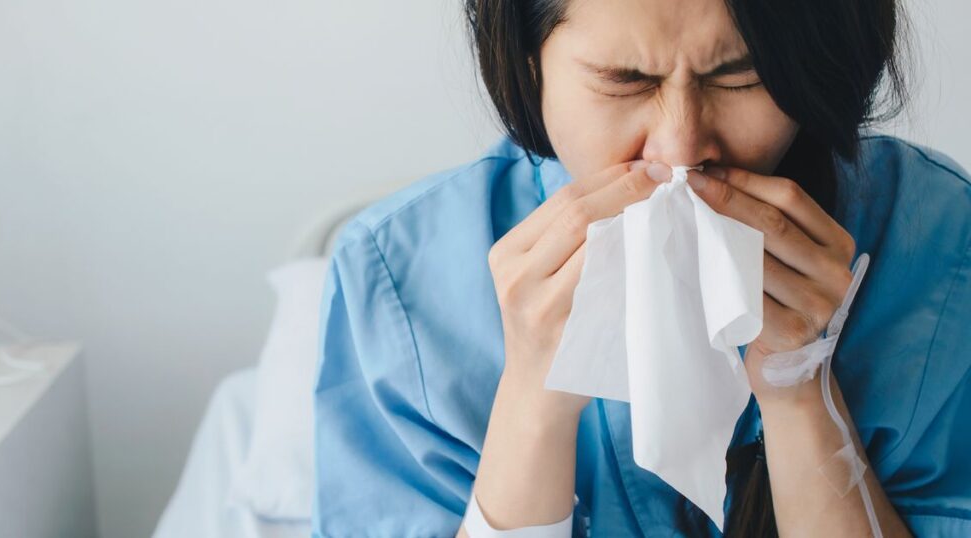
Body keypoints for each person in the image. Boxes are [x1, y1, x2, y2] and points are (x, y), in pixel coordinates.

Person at [312, 0, 971, 536]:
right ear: (529, 62)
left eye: (740, 78)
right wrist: (533, 401)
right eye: (624, 81)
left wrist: (802, 395)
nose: (681, 147)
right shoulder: (393, 280)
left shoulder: (943, 246)